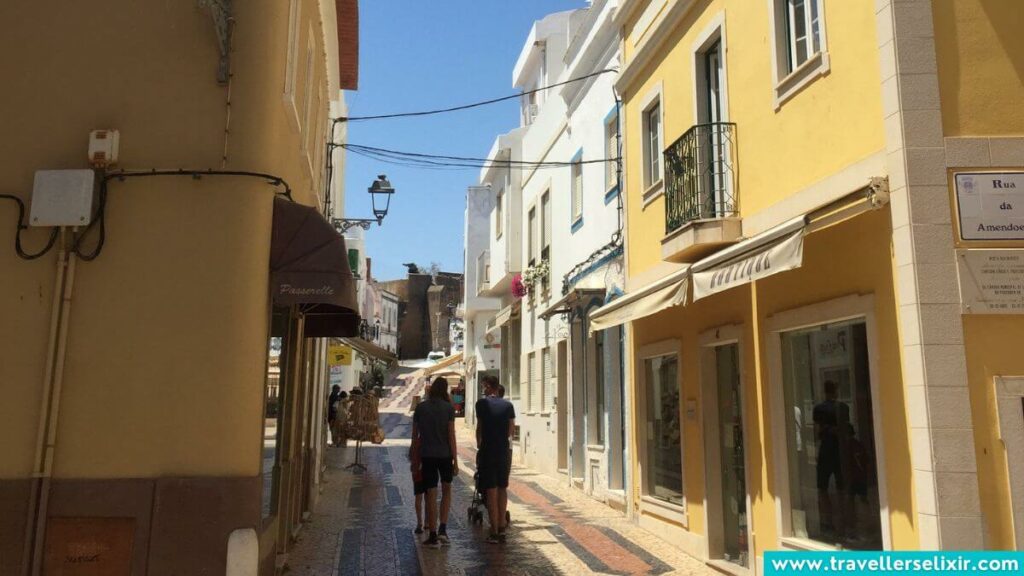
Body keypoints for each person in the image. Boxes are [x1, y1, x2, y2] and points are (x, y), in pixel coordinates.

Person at [412, 376, 458, 548]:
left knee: (430, 493)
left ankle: (431, 533)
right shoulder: (448, 409)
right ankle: (443, 529)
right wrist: (456, 461)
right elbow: (451, 436)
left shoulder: (421, 408)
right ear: (445, 389)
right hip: (445, 455)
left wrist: (414, 459)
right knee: (446, 490)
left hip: (427, 455)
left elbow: (414, 437)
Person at [476, 375, 515, 544]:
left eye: (484, 387)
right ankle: (501, 526)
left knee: (491, 489)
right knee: (502, 487)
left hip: (488, 451)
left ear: (488, 387)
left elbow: (479, 428)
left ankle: (493, 531)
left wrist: (481, 444)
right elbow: (511, 430)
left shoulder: (481, 404)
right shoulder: (508, 406)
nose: (483, 390)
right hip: (503, 451)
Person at [813, 380, 850, 536]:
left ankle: (828, 521)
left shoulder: (819, 409)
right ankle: (843, 521)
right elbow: (846, 427)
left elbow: (817, 430)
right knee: (842, 487)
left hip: (826, 449)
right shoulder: (843, 408)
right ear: (835, 391)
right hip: (840, 449)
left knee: (822, 487)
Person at [409, 445, 426, 534]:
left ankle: (420, 523)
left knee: (419, 497)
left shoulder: (417, 441)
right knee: (429, 496)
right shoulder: (430, 441)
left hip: (418, 472)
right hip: (427, 471)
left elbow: (410, 454)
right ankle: (427, 522)